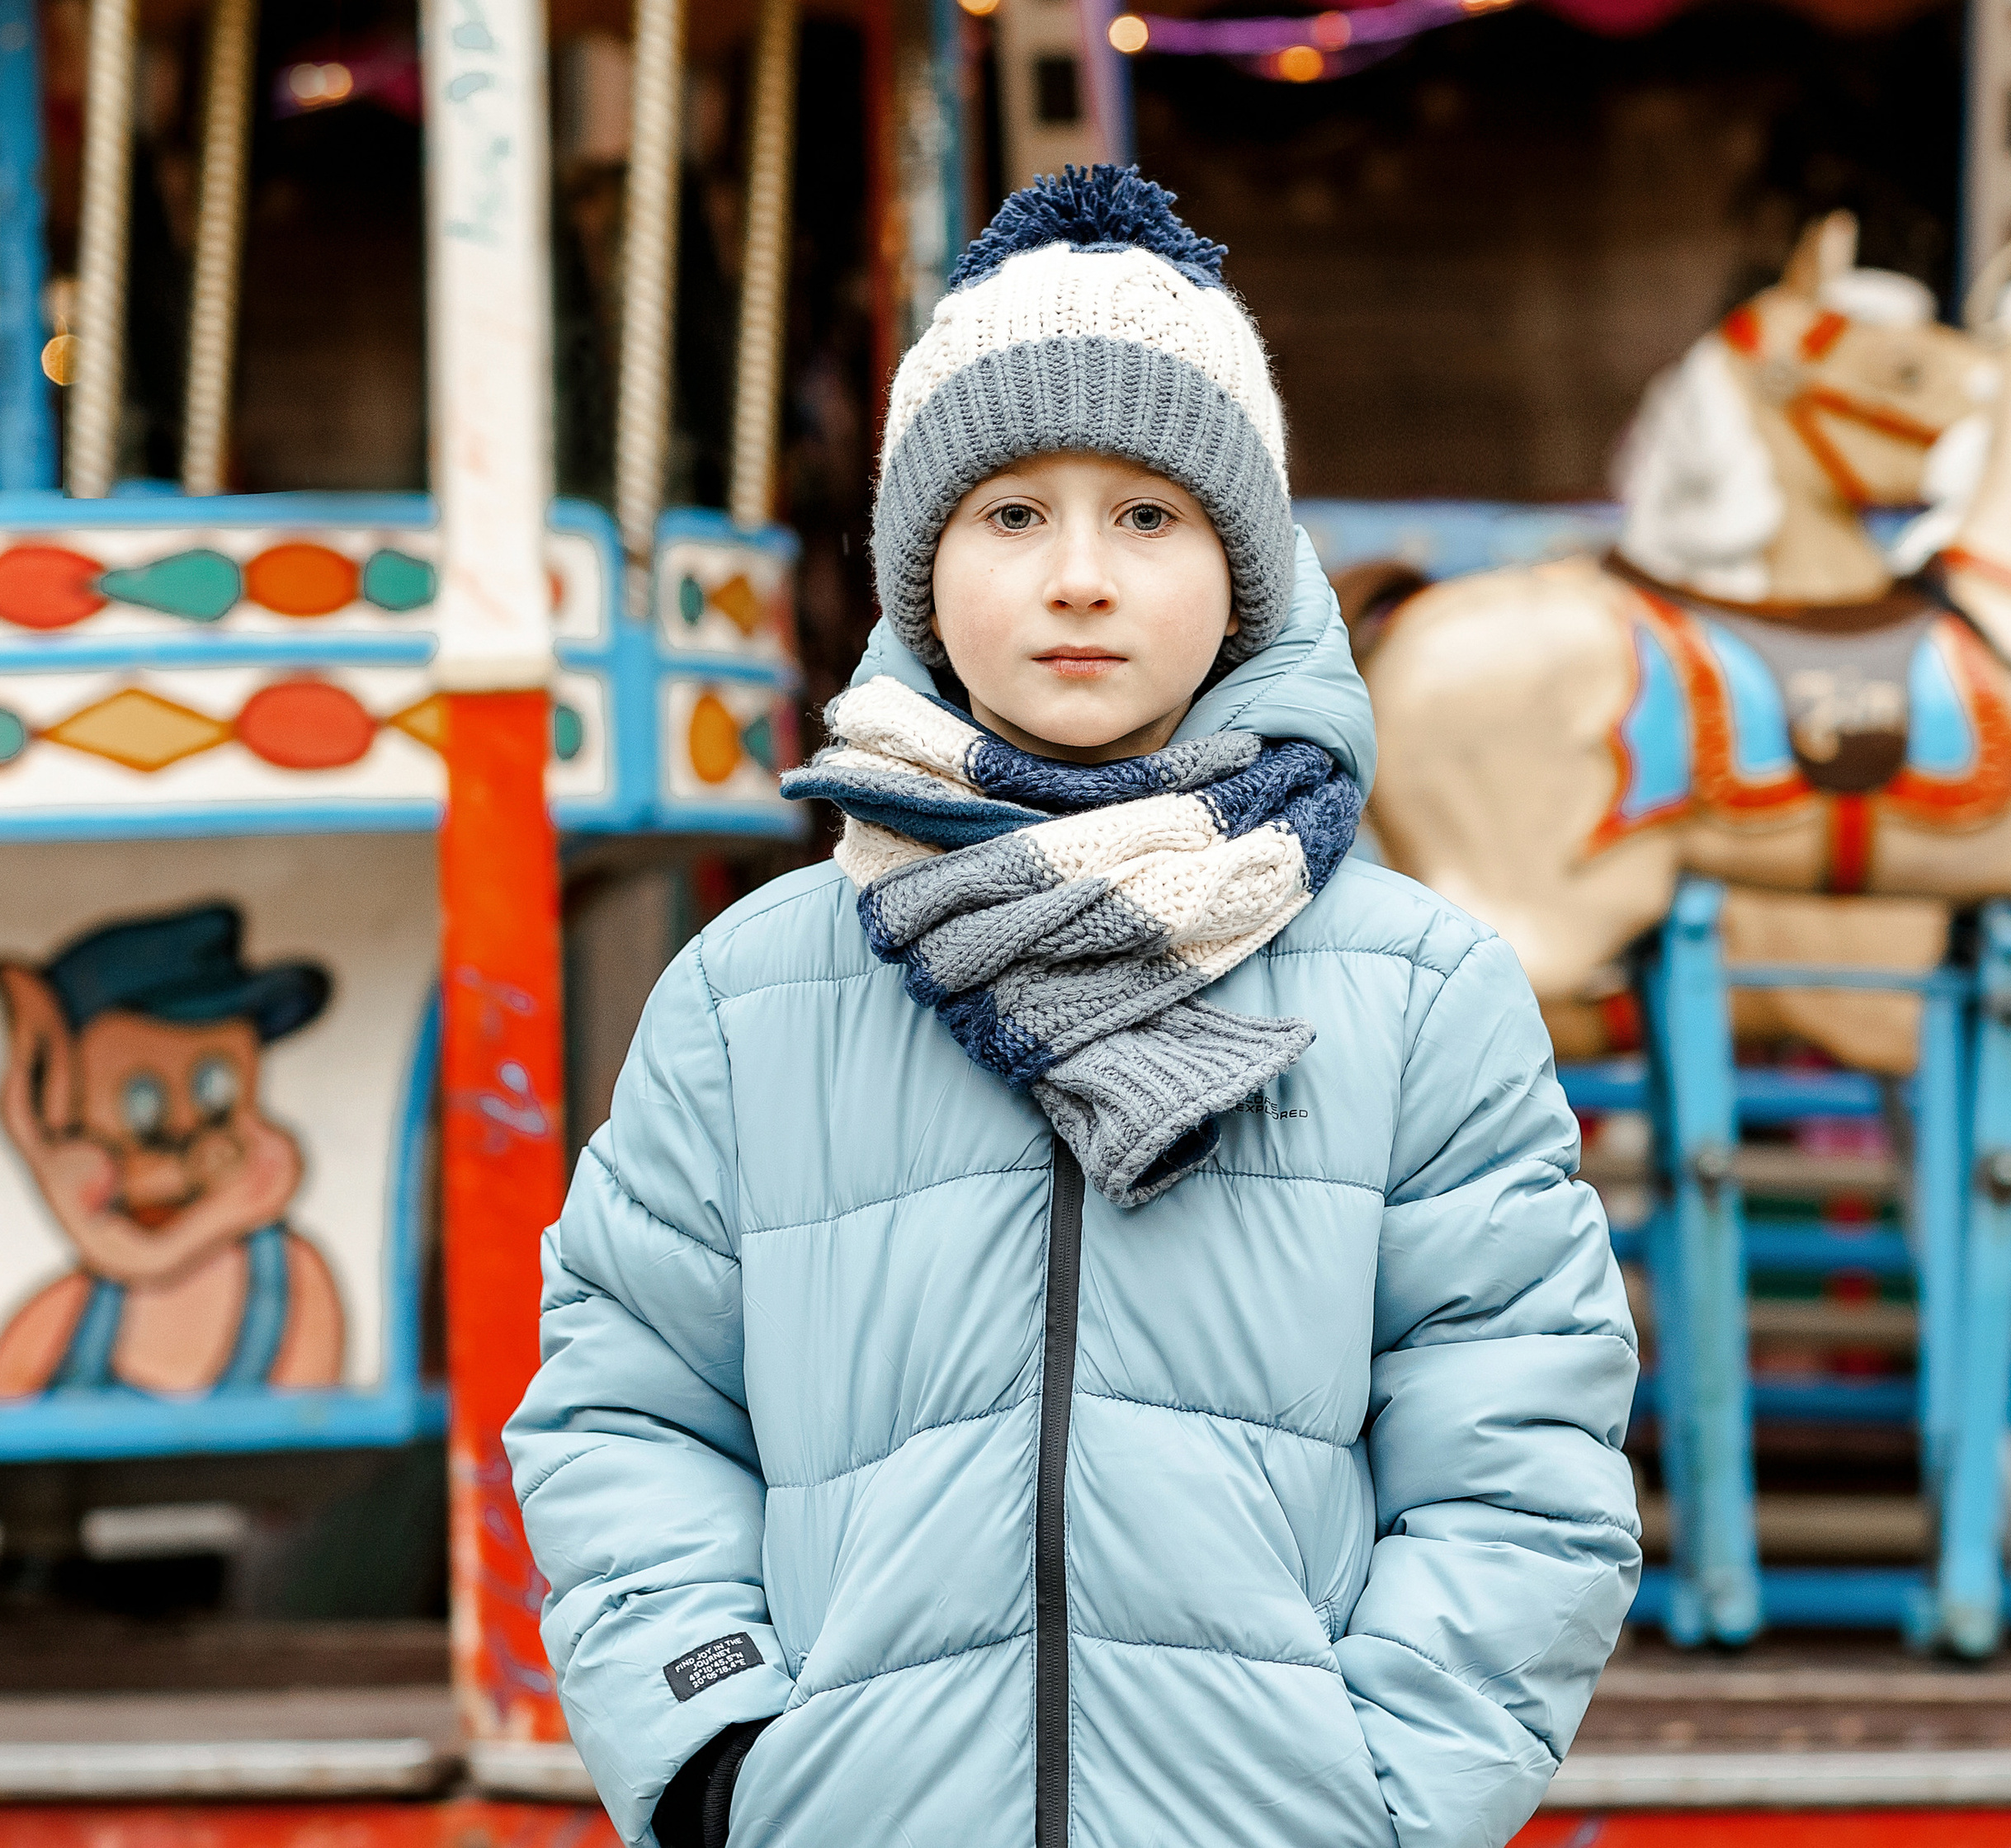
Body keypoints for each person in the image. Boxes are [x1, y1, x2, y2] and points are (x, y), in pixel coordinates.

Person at [507, 166, 1640, 1848]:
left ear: (1244, 568)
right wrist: (720, 1747)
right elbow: (624, 1406)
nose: (1079, 577)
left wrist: (1385, 1796)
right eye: (1011, 512)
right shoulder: (754, 996)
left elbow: (1517, 1451)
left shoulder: (1418, 992)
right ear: (922, 568)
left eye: (1148, 514)